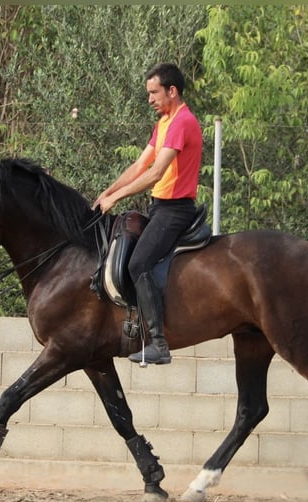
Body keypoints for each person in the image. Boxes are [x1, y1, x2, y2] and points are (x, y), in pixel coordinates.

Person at [93, 63, 202, 365]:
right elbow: (139, 166)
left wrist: (116, 198)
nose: (150, 99)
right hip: (159, 208)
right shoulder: (164, 123)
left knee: (139, 262)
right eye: (148, 94)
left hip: (175, 210)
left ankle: (158, 344)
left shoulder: (182, 122)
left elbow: (155, 174)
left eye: (154, 93)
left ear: (172, 90)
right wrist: (108, 191)